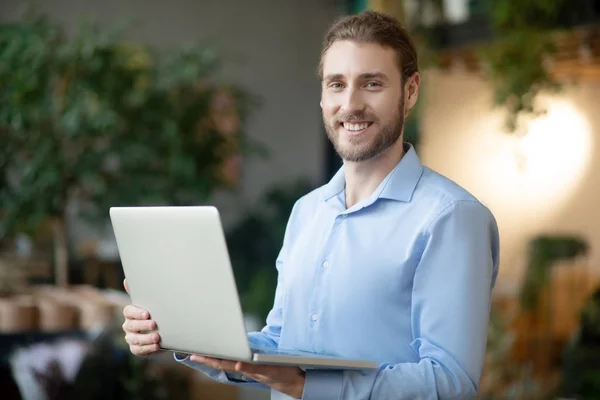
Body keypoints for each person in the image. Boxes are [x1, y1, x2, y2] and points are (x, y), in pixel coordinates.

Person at [122, 10, 500, 400]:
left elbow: (450, 382)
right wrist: (182, 334)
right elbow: (282, 340)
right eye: (337, 84)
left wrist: (309, 386)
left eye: (372, 83)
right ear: (322, 95)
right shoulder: (307, 212)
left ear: (410, 91)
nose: (350, 104)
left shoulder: (451, 217)